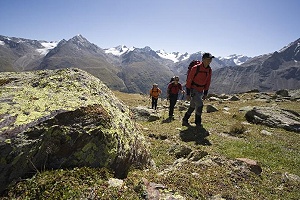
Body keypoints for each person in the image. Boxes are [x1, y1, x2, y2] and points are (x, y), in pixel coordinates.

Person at [182, 53, 214, 127]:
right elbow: (189, 80)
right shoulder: (196, 68)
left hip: (200, 91)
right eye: (208, 59)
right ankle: (198, 122)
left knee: (192, 106)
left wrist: (205, 93)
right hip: (194, 89)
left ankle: (185, 120)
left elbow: (208, 81)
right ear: (203, 59)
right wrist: (188, 93)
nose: (209, 61)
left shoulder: (209, 70)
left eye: (210, 59)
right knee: (200, 105)